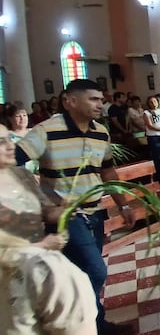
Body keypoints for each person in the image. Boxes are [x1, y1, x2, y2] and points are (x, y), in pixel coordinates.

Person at [14, 79, 136, 334]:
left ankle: (91, 324)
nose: (100, 105)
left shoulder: (100, 132)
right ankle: (77, 322)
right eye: (93, 99)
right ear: (69, 101)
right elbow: (13, 162)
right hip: (66, 216)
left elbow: (107, 171)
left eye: (101, 100)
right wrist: (42, 200)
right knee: (95, 270)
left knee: (81, 271)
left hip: (95, 212)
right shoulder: (47, 130)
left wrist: (123, 206)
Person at [0, 123, 97, 334]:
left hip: (38, 267)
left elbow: (47, 211)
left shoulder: (22, 176)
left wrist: (65, 210)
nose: (10, 145)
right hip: (9, 275)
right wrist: (41, 246)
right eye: (1, 142)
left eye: (9, 139)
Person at [4, 105, 38, 173]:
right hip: (20, 174)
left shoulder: (35, 132)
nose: (22, 118)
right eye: (18, 116)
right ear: (10, 118)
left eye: (24, 115)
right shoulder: (6, 136)